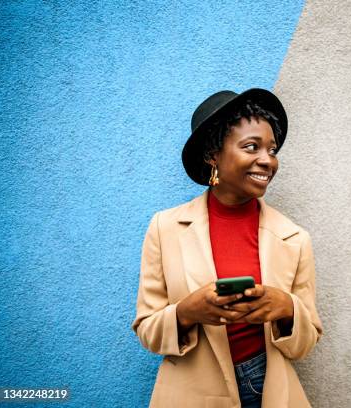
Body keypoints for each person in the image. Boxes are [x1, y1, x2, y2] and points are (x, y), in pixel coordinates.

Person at [131, 88, 323, 408]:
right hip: (191, 392)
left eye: (272, 150)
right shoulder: (165, 228)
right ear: (213, 155)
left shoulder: (295, 238)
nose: (268, 160)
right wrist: (187, 311)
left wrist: (287, 309)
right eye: (252, 147)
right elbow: (147, 330)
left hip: (269, 390)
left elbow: (306, 343)